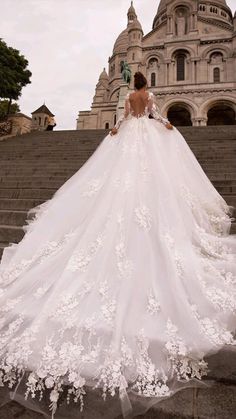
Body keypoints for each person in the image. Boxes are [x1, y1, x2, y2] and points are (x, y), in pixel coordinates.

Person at [0, 71, 235, 419]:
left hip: (129, 141)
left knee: (120, 184)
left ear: (132, 84)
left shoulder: (128, 99)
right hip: (148, 141)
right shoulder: (150, 97)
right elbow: (155, 117)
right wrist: (167, 126)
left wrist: (114, 130)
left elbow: (125, 120)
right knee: (147, 182)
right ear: (147, 83)